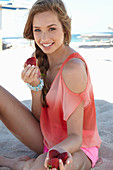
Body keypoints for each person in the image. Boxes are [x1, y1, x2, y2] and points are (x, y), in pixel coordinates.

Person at [0, 0, 102, 169]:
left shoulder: (73, 69)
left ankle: (15, 164)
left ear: (65, 28)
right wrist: (35, 86)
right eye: (37, 30)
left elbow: (76, 136)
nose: (44, 38)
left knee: (50, 166)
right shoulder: (39, 58)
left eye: (51, 29)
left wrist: (56, 151)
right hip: (47, 137)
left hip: (75, 147)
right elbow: (40, 117)